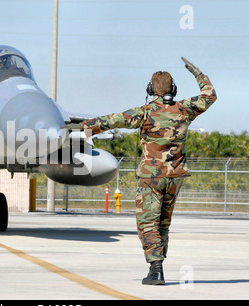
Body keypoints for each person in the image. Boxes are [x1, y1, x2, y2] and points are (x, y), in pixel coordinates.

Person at [62, 57, 217, 285]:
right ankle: (159, 265)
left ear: (150, 89)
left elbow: (112, 120)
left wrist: (84, 126)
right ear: (173, 89)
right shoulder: (185, 109)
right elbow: (210, 95)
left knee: (147, 223)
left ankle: (156, 270)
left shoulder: (144, 112)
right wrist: (197, 73)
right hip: (175, 176)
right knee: (163, 223)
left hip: (151, 178)